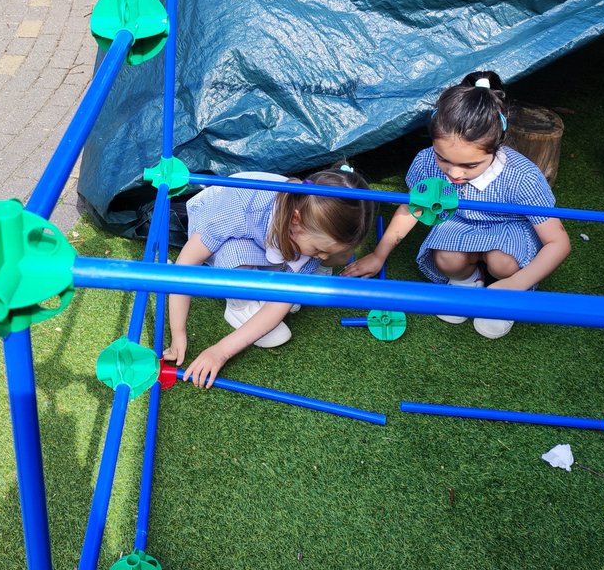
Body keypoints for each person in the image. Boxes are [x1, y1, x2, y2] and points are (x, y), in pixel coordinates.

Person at [343, 71, 571, 339]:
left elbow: (559, 243)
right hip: (459, 223)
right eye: (443, 159)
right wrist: (379, 255)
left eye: (470, 165)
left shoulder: (522, 176)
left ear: (497, 145)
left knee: (503, 263)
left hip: (510, 228)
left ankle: (503, 294)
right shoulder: (427, 161)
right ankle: (467, 281)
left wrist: (517, 283)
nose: (455, 173)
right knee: (445, 258)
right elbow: (412, 208)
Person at [164, 165, 374, 387]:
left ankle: (276, 274)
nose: (321, 257)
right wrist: (179, 334)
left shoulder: (308, 221)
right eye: (318, 249)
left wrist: (221, 351)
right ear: (295, 221)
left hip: (268, 237)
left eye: (326, 251)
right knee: (236, 258)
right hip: (221, 221)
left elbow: (278, 307)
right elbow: (186, 264)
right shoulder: (240, 210)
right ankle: (239, 306)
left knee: (324, 260)